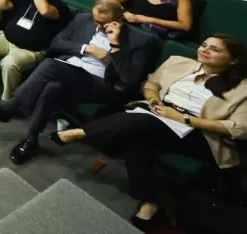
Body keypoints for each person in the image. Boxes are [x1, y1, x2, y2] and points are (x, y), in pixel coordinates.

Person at [51, 35, 247, 229]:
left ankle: (82, 132)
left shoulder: (242, 88)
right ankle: (149, 202)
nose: (204, 50)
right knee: (137, 137)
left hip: (199, 133)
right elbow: (151, 84)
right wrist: (154, 100)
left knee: (144, 122)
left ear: (233, 59)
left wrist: (183, 119)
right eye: (204, 45)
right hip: (159, 114)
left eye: (215, 49)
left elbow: (239, 128)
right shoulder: (178, 62)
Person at [0, 0, 154, 165]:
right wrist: (86, 48)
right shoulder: (84, 19)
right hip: (68, 71)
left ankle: (8, 108)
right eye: (95, 20)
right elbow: (56, 42)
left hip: (101, 84)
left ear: (119, 20)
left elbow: (129, 79)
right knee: (53, 87)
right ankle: (31, 139)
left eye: (103, 23)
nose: (97, 26)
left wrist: (115, 47)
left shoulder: (139, 41)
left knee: (50, 66)